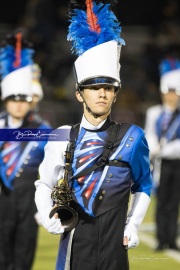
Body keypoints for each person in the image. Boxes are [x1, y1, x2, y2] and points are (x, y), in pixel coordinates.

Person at [35, 1, 152, 270]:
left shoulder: (132, 137)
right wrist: (45, 214)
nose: (101, 93)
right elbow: (44, 184)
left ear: (115, 93)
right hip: (74, 248)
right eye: (94, 87)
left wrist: (133, 225)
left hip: (114, 250)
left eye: (108, 88)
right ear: (79, 94)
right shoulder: (61, 137)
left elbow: (143, 185)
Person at [0, 31, 51, 270]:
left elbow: (54, 169)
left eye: (23, 99)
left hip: (29, 203)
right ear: (6, 101)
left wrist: (47, 204)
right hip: (2, 201)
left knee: (23, 257)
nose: (19, 104)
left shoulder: (43, 129)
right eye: (13, 99)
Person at [145, 57, 180, 251]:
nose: (171, 96)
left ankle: (172, 239)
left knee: (174, 202)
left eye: (174, 92)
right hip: (160, 163)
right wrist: (153, 147)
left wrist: (168, 149)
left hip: (176, 162)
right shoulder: (154, 112)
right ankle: (160, 239)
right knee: (160, 201)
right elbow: (149, 132)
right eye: (168, 92)